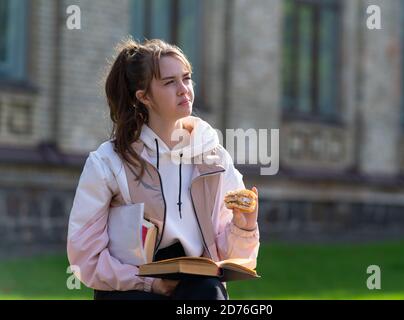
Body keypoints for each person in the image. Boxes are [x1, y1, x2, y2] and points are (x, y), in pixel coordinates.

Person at [66, 38, 260, 300]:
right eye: (170, 82)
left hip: (197, 286)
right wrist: (149, 284)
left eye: (187, 78)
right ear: (143, 97)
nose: (184, 90)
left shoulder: (215, 159)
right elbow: (85, 257)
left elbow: (233, 259)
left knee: (209, 292)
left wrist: (243, 226)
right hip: (130, 288)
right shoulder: (108, 162)